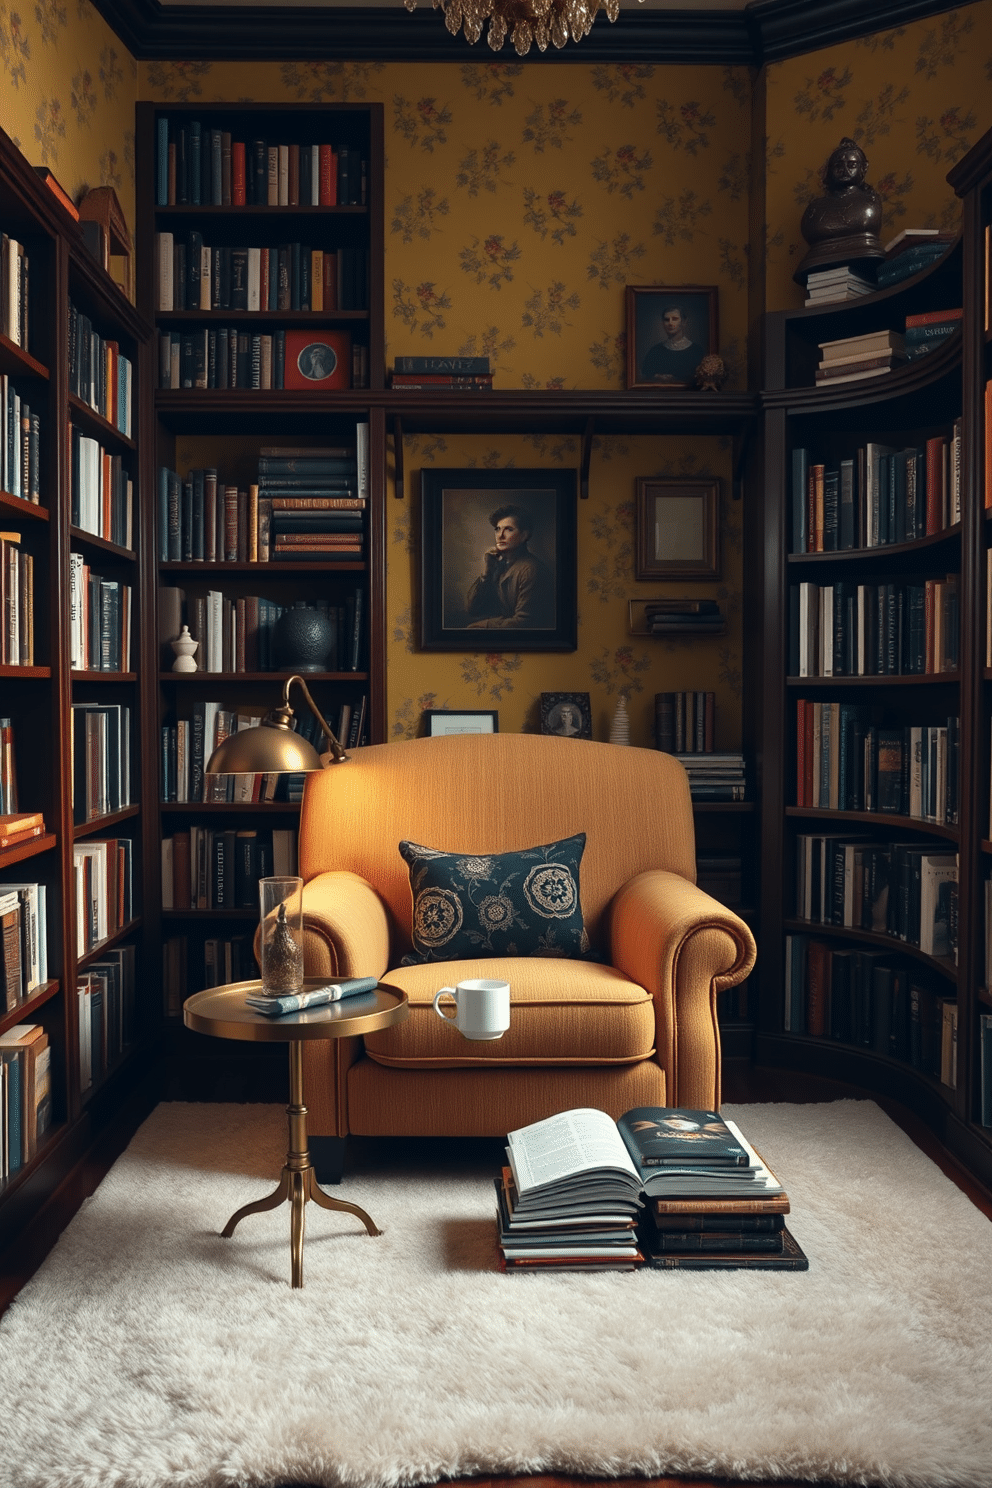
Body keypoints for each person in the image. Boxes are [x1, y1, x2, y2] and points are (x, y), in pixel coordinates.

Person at [465, 504, 555, 629]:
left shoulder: (531, 570)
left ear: (524, 535)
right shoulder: (499, 565)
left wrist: (486, 625)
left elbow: (525, 622)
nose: (500, 535)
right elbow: (473, 609)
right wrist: (487, 572)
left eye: (509, 529)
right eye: (497, 529)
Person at [640, 305, 704, 384]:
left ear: (684, 322)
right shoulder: (655, 351)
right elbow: (645, 377)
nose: (670, 323)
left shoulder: (697, 351)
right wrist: (657, 377)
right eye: (667, 319)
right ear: (663, 323)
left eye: (675, 319)